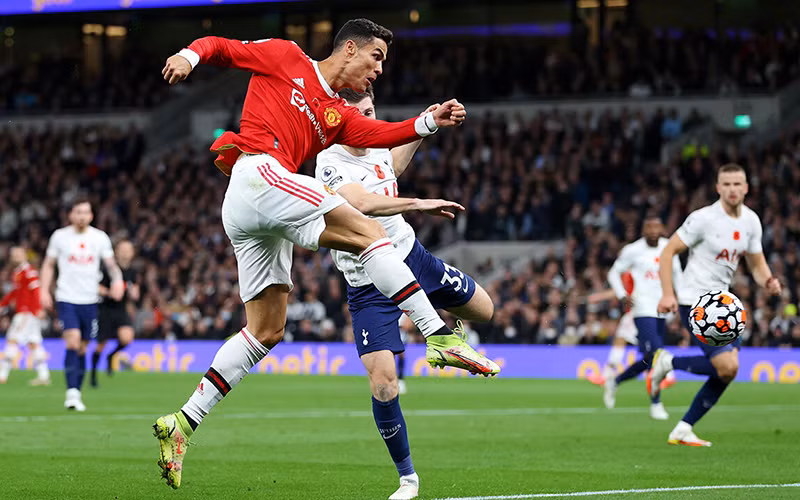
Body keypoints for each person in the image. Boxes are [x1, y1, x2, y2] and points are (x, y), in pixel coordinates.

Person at [154, 18, 500, 490]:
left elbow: (382, 136)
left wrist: (428, 122)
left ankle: (183, 423)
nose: (379, 69)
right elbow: (222, 46)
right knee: (368, 235)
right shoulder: (287, 56)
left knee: (265, 331)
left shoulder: (336, 114)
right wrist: (189, 56)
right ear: (351, 49)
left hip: (258, 209)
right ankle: (438, 335)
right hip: (258, 173)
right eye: (376, 58)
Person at [314, 88, 495, 499]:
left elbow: (390, 166)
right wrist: (418, 203)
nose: (367, 117)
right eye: (359, 112)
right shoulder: (328, 161)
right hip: (368, 284)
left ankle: (449, 336)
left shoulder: (378, 141)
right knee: (384, 384)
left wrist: (426, 124)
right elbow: (363, 202)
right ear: (340, 117)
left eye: (371, 110)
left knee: (486, 310)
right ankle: (408, 478)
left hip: (413, 258)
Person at [654, 164, 781, 446]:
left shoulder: (750, 221)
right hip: (695, 300)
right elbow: (668, 251)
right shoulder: (703, 219)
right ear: (718, 187)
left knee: (729, 369)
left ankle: (683, 427)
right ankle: (668, 363)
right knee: (726, 367)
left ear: (747, 187)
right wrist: (667, 293)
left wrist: (768, 281)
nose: (733, 189)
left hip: (723, 303)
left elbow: (756, 263)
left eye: (738, 184)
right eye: (727, 184)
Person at [590, 216, 681, 419]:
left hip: (663, 308)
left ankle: (615, 380)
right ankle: (656, 404)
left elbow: (678, 276)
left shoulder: (669, 248)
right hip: (642, 307)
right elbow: (614, 273)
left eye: (656, 227)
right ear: (643, 230)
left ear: (663, 229)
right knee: (658, 355)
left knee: (650, 359)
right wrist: (623, 295)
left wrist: (679, 302)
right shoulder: (633, 250)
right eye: (649, 228)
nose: (653, 232)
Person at [40, 198, 124, 411]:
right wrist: (43, 290)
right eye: (78, 212)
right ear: (70, 214)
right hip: (66, 297)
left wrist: (117, 281)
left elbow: (112, 265)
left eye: (85, 212)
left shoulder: (99, 238)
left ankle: (77, 392)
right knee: (73, 342)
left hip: (90, 300)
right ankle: (71, 393)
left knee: (83, 347)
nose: (81, 216)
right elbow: (48, 265)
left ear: (91, 215)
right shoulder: (60, 237)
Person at [90, 240, 139, 387]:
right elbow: (96, 286)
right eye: (122, 249)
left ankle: (112, 356)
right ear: (116, 252)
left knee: (127, 338)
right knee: (101, 345)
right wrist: (109, 292)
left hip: (121, 310)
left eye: (128, 249)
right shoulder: (108, 269)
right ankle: (93, 375)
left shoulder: (132, 271)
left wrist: (134, 293)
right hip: (106, 310)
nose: (125, 252)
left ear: (132, 253)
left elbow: (135, 291)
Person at [0, 246, 50, 385]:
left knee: (12, 339)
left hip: (26, 313)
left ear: (25, 256)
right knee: (34, 344)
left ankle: (2, 374)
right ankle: (44, 376)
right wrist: (3, 304)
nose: (16, 256)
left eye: (18, 254)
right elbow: (15, 293)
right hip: (26, 312)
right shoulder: (18, 272)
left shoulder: (29, 271)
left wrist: (38, 308)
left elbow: (36, 290)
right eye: (13, 254)